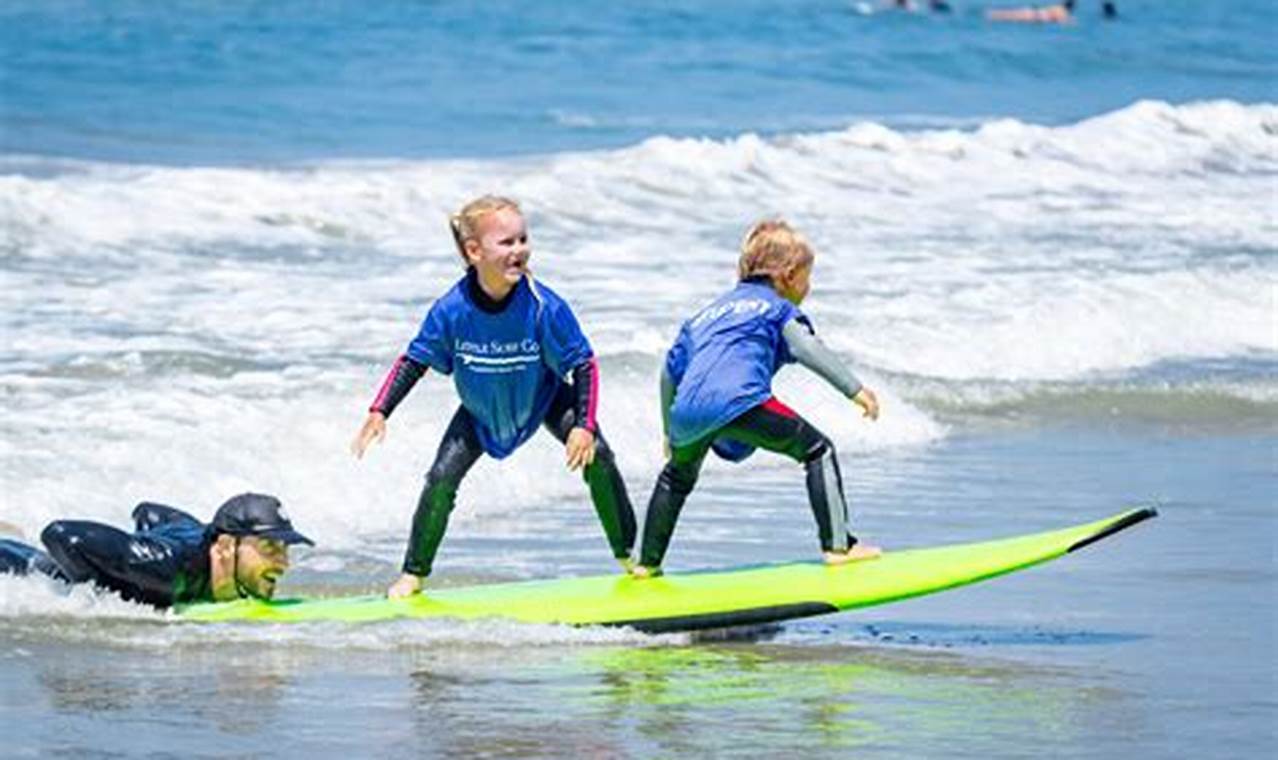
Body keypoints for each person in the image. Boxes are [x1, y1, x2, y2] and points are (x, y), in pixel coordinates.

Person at [351, 195, 637, 598]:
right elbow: (415, 360)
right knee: (440, 479)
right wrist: (380, 410)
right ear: (474, 251)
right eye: (506, 242)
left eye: (523, 239)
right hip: (479, 410)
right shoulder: (451, 310)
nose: (519, 249)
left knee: (599, 456)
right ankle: (413, 574)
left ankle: (629, 555)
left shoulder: (544, 305)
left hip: (544, 397)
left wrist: (585, 426)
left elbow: (584, 363)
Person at [631, 220, 882, 579]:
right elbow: (807, 347)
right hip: (742, 400)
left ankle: (646, 562)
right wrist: (854, 389)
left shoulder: (702, 317)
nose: (808, 287)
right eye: (808, 278)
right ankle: (839, 547)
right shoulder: (777, 309)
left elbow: (669, 373)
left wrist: (670, 430)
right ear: (790, 276)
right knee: (818, 451)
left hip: (685, 410)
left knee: (676, 477)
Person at [0, 493, 312, 608]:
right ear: (227, 547)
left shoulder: (209, 545)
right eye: (269, 548)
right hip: (17, 567)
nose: (283, 563)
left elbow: (149, 512)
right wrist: (96, 597)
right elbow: (61, 535)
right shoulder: (167, 569)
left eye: (284, 549)